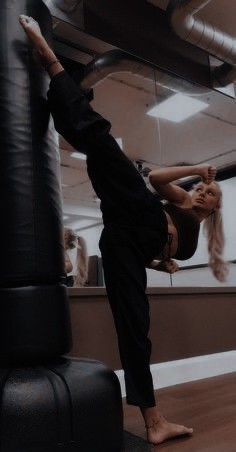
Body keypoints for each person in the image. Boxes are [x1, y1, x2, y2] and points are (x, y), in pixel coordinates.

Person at [19, 15, 227, 445]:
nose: (203, 194)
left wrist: (158, 255)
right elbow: (155, 179)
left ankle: (154, 422)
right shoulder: (181, 201)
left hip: (123, 242)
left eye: (209, 194)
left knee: (135, 330)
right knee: (104, 147)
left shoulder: (190, 239)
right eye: (203, 190)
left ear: (214, 209)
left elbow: (162, 252)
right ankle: (55, 66)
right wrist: (196, 170)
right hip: (141, 210)